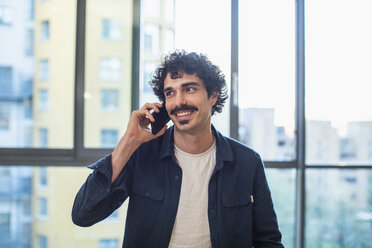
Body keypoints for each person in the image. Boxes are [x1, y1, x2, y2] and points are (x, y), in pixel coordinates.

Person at [72, 50, 284, 248]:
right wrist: (129, 141)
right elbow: (83, 214)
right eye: (170, 93)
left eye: (189, 89)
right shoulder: (141, 154)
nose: (179, 101)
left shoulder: (247, 163)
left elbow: (269, 241)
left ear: (212, 96)